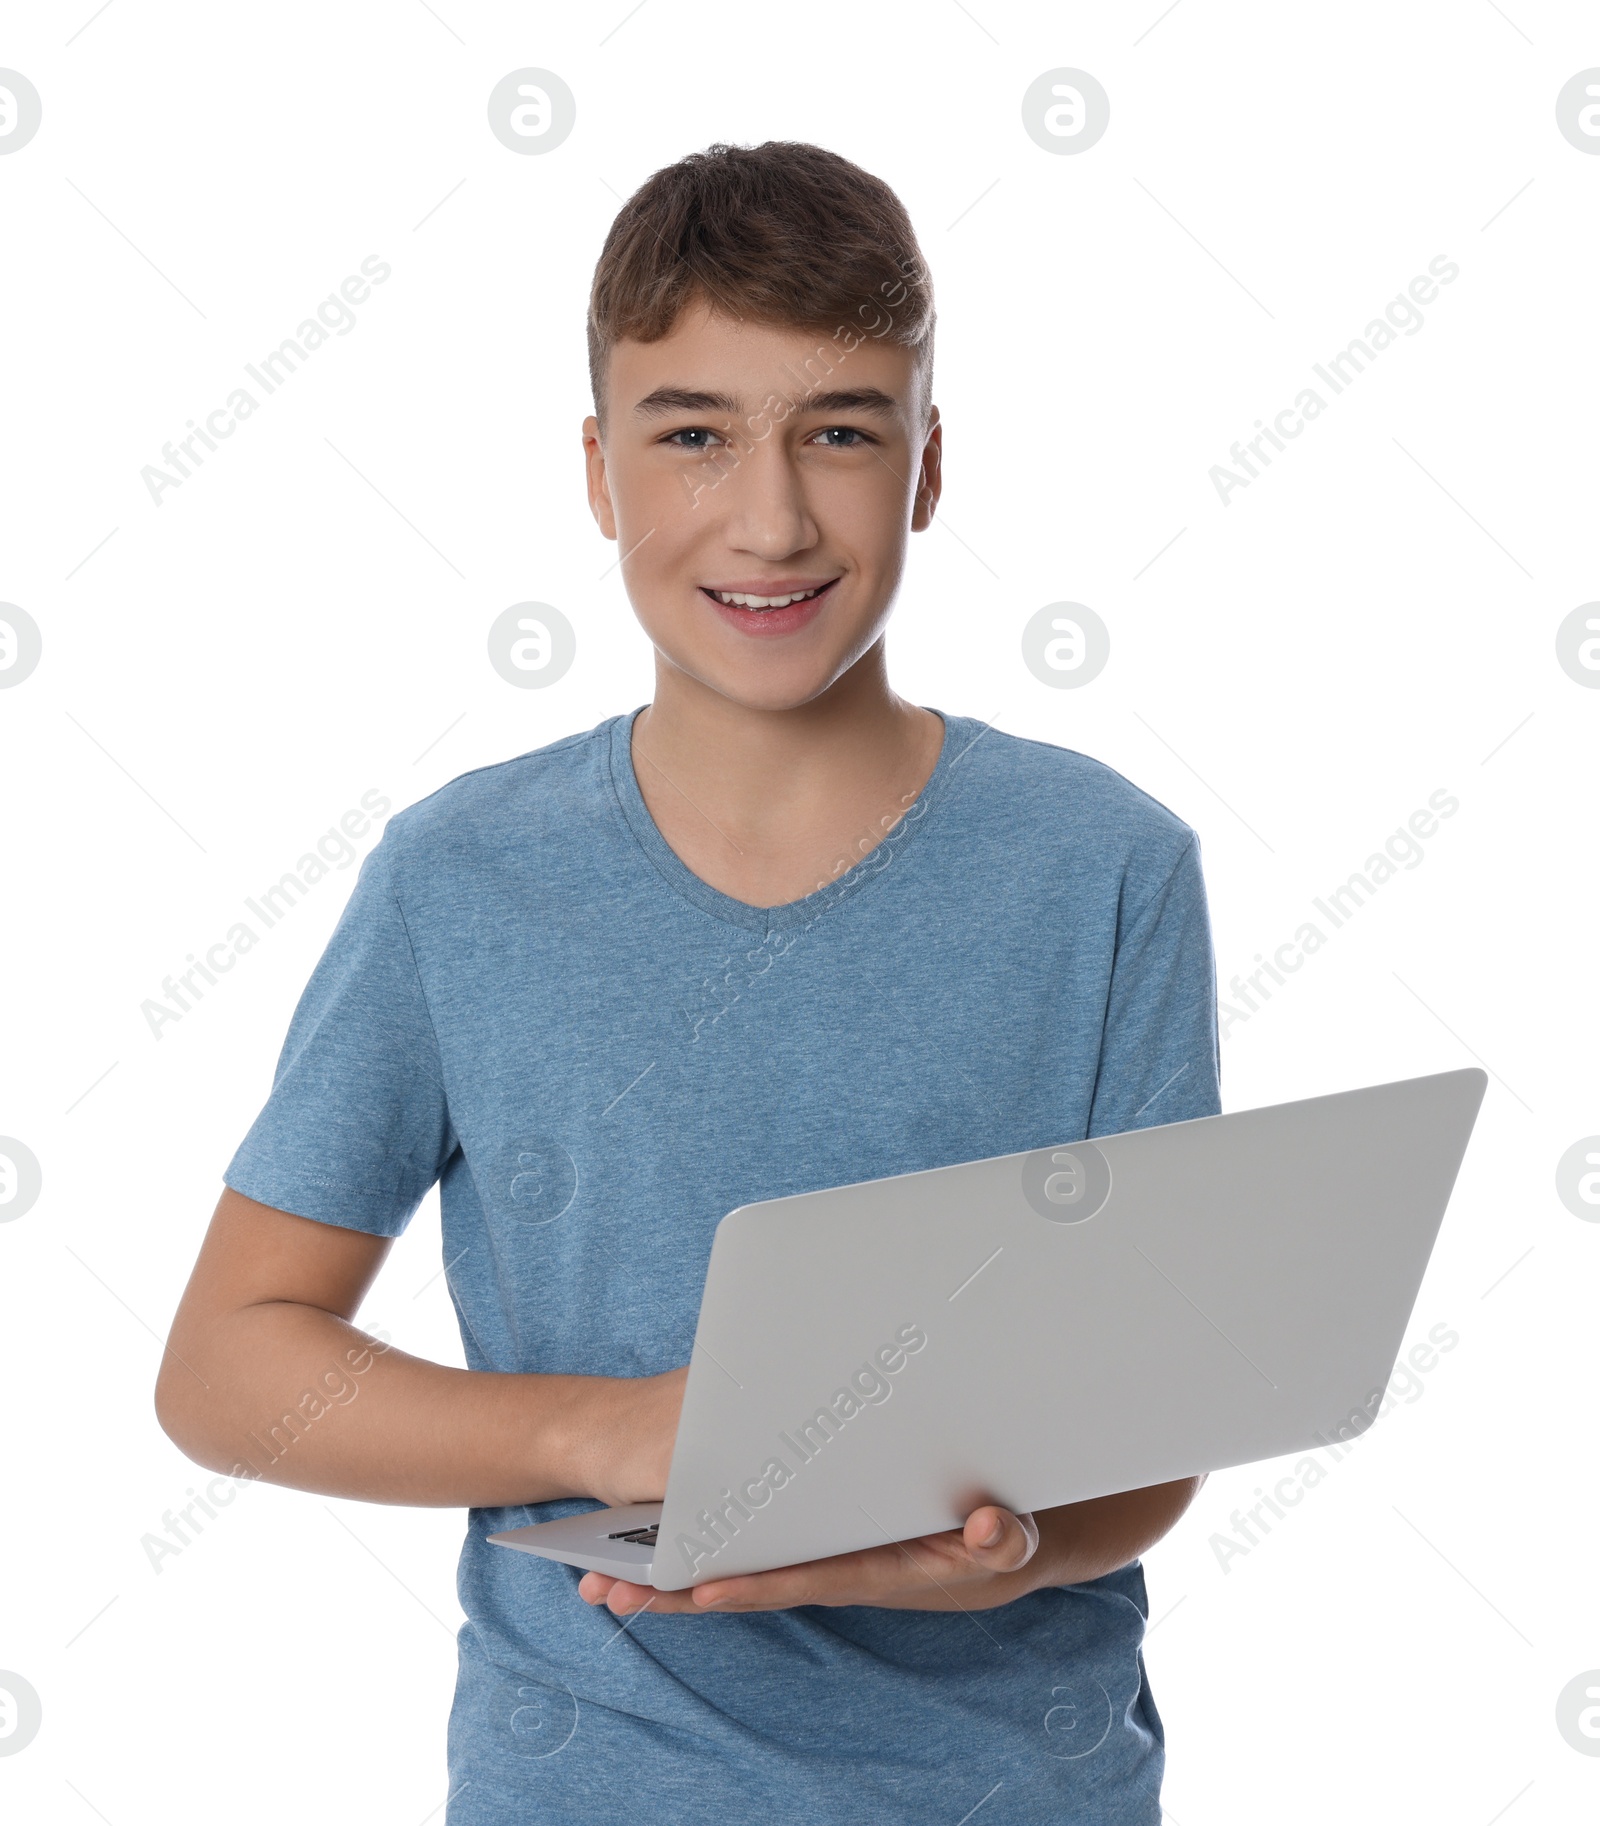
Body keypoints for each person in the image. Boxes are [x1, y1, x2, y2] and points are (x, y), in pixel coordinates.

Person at [156, 139, 1220, 1824]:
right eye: (695, 436)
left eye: (843, 433)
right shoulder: (458, 876)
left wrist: (1015, 1558)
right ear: (598, 471)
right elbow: (224, 1361)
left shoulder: (1106, 864)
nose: (773, 516)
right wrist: (608, 1432)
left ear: (928, 465)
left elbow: (1155, 1427)